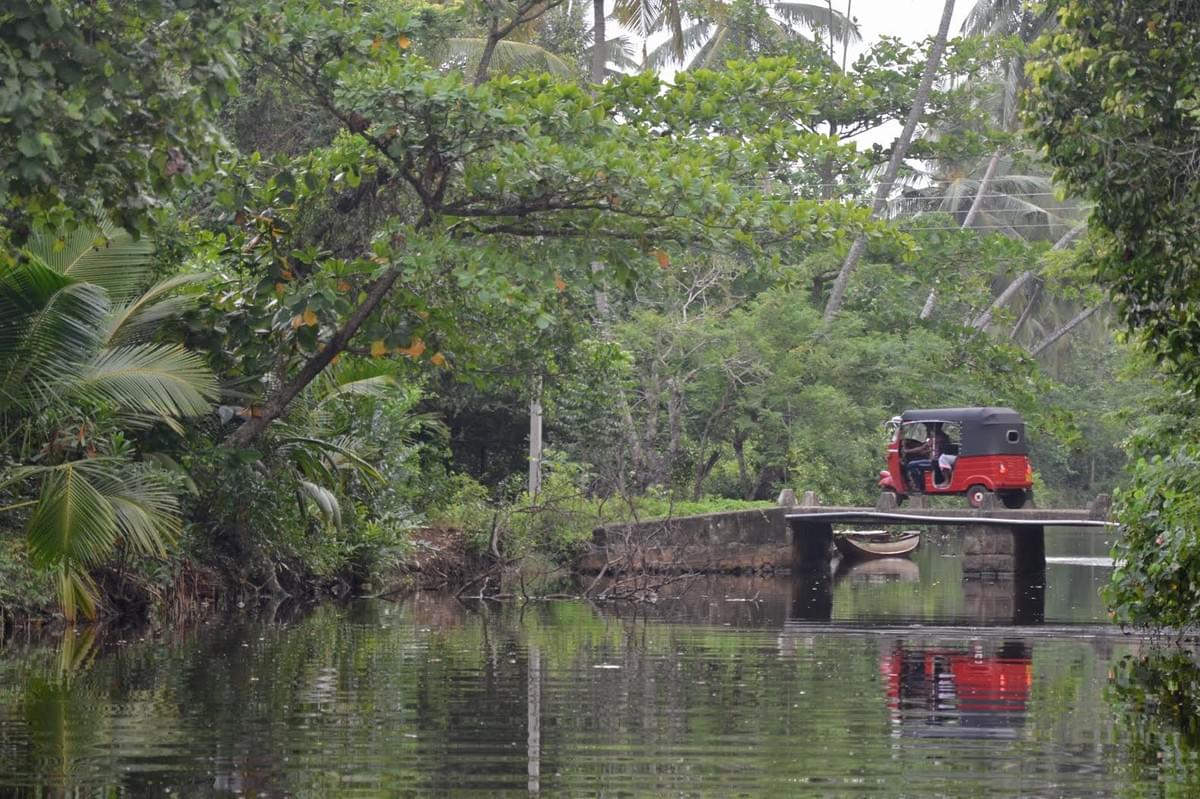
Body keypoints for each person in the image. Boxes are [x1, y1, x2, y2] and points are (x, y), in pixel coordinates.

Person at [905, 424, 951, 492]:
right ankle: (921, 485)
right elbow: (935, 449)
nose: (927, 430)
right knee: (917, 463)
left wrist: (906, 451)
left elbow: (922, 448)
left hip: (936, 462)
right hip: (937, 460)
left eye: (928, 429)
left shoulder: (936, 437)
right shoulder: (944, 436)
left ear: (933, 428)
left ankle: (919, 487)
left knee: (911, 464)